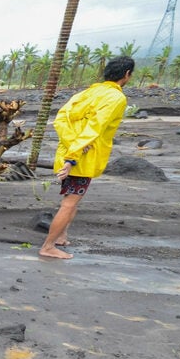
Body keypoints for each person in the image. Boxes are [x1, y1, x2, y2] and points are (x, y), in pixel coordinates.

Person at [39, 56, 134, 260]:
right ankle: (48, 246)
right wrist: (73, 156)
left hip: (70, 153)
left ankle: (61, 236)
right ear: (127, 74)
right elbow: (95, 128)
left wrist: (70, 148)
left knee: (71, 200)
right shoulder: (116, 98)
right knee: (70, 203)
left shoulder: (86, 93)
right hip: (82, 157)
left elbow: (60, 119)